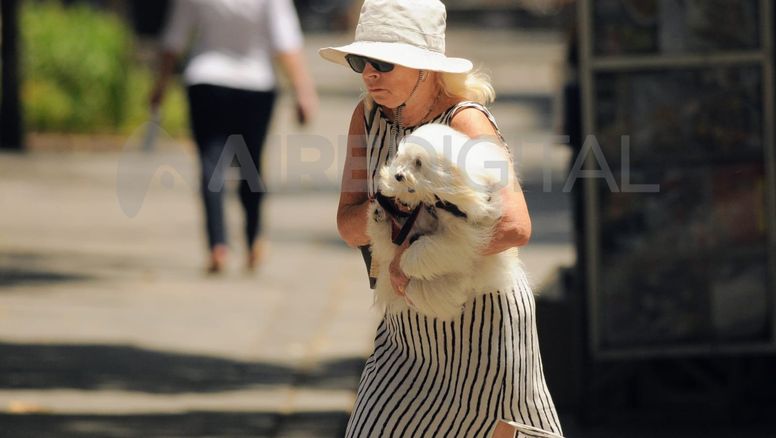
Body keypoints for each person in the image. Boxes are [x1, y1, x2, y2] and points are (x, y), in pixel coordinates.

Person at [319, 0, 564, 436]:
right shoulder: (368, 117)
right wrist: (389, 217)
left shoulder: (466, 123)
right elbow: (346, 221)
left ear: (425, 67)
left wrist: (414, 256)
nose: (369, 73)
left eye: (384, 62)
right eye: (361, 61)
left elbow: (515, 225)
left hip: (483, 330)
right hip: (405, 333)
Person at [150, 0, 318, 273]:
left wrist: (160, 84)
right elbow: (285, 39)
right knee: (250, 164)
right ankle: (253, 242)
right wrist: (303, 90)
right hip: (256, 82)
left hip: (206, 79)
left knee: (210, 163)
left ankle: (218, 245)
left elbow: (175, 36)